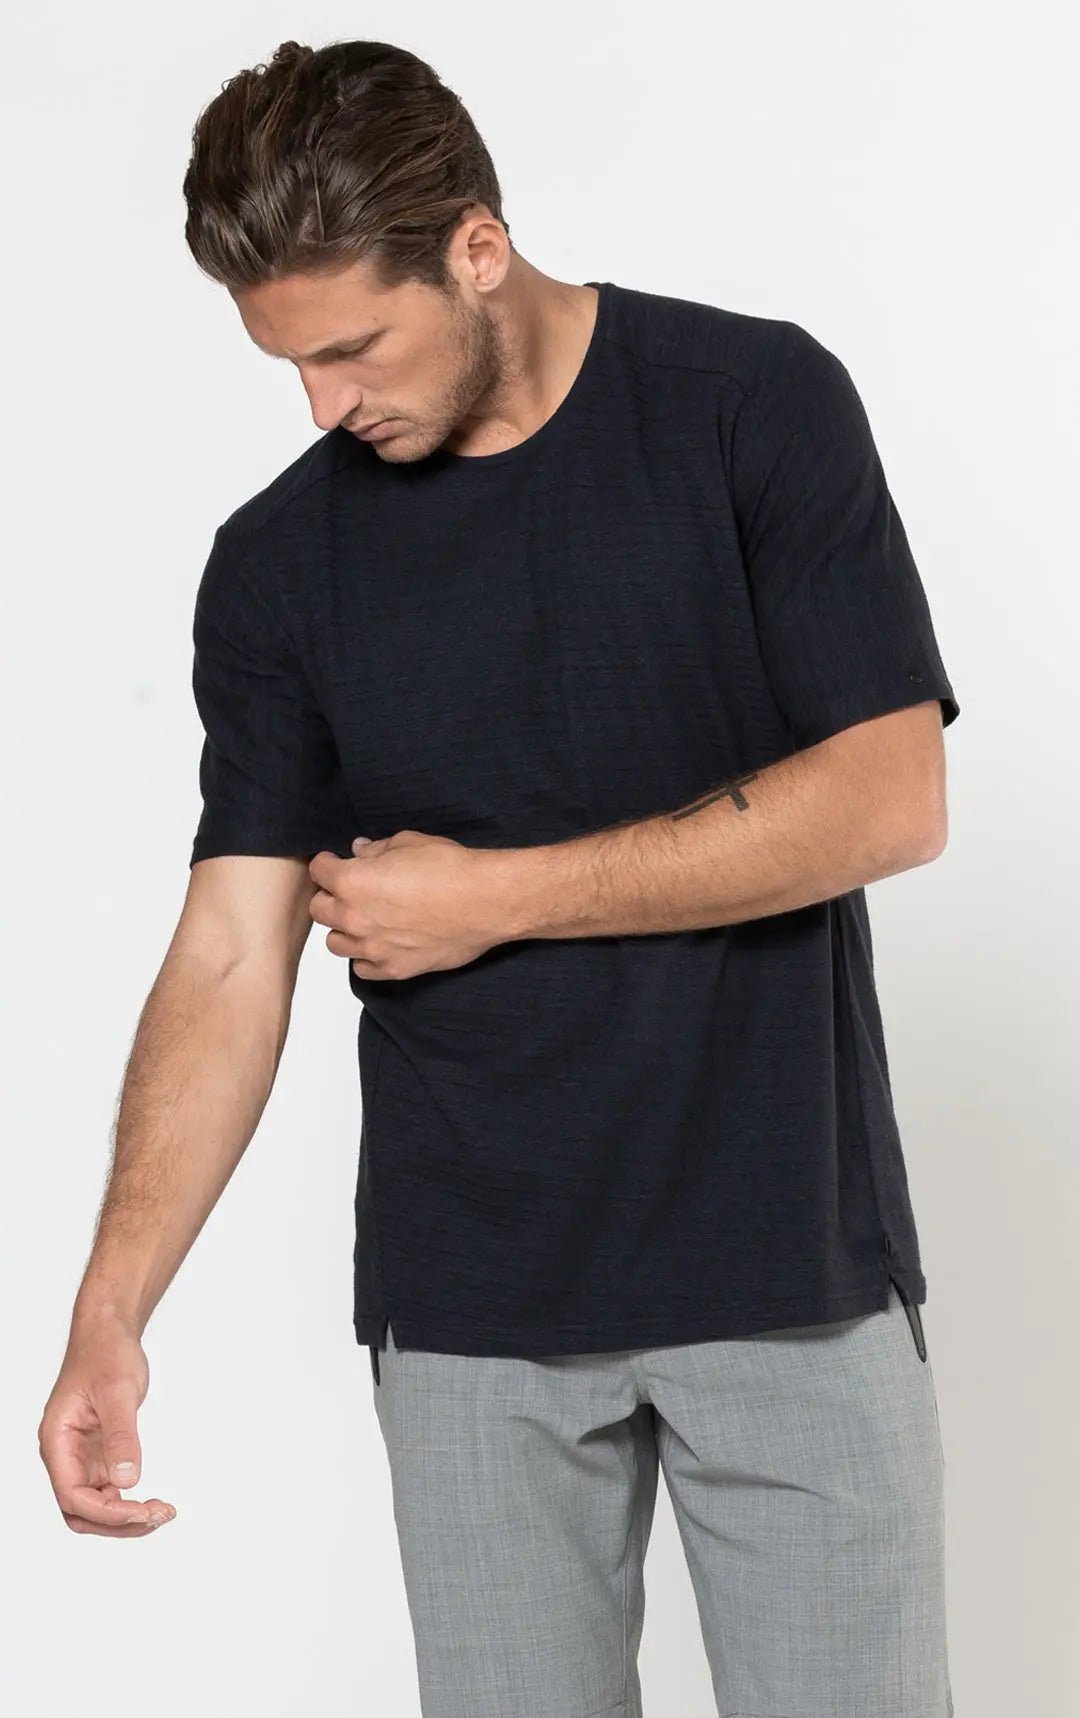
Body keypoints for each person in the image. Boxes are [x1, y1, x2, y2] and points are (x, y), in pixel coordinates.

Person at [38, 37, 959, 1718]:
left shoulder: (751, 406)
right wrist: (112, 1308)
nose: (326, 405)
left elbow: (889, 799)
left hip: (790, 1268)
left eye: (351, 348)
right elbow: (231, 954)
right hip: (470, 1312)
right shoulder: (278, 564)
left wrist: (494, 895)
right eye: (288, 363)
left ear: (476, 247)